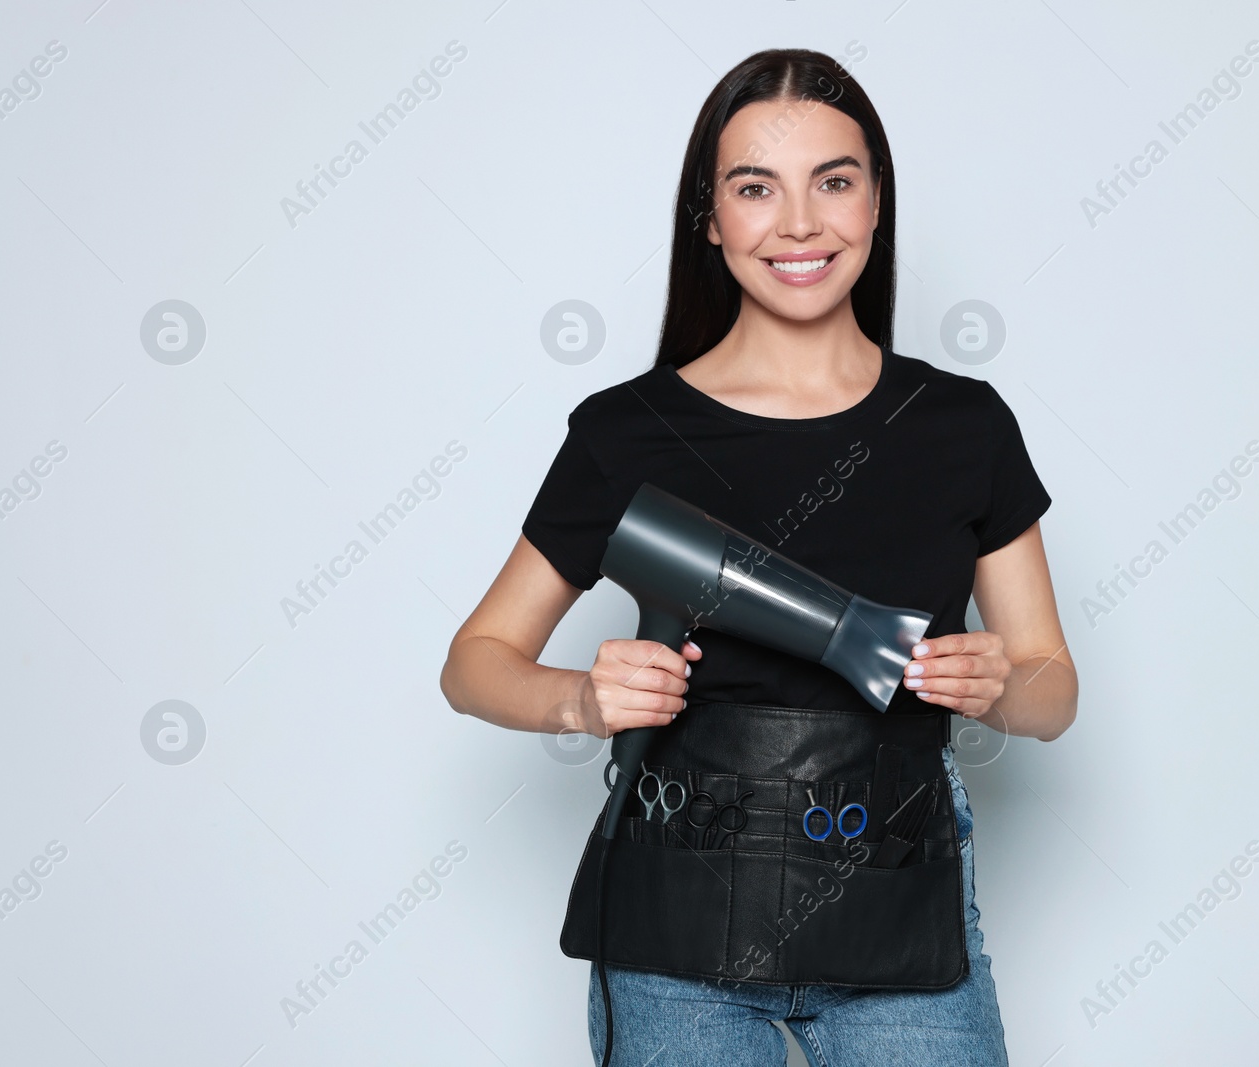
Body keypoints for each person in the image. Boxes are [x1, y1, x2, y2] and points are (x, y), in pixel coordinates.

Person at [439, 47, 1077, 1067]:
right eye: (754, 188)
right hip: (673, 922)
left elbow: (1052, 690)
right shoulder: (625, 433)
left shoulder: (963, 425)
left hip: (902, 900)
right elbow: (473, 660)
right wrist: (580, 699)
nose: (798, 223)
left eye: (834, 180)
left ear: (875, 202)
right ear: (710, 217)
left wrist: (997, 682)